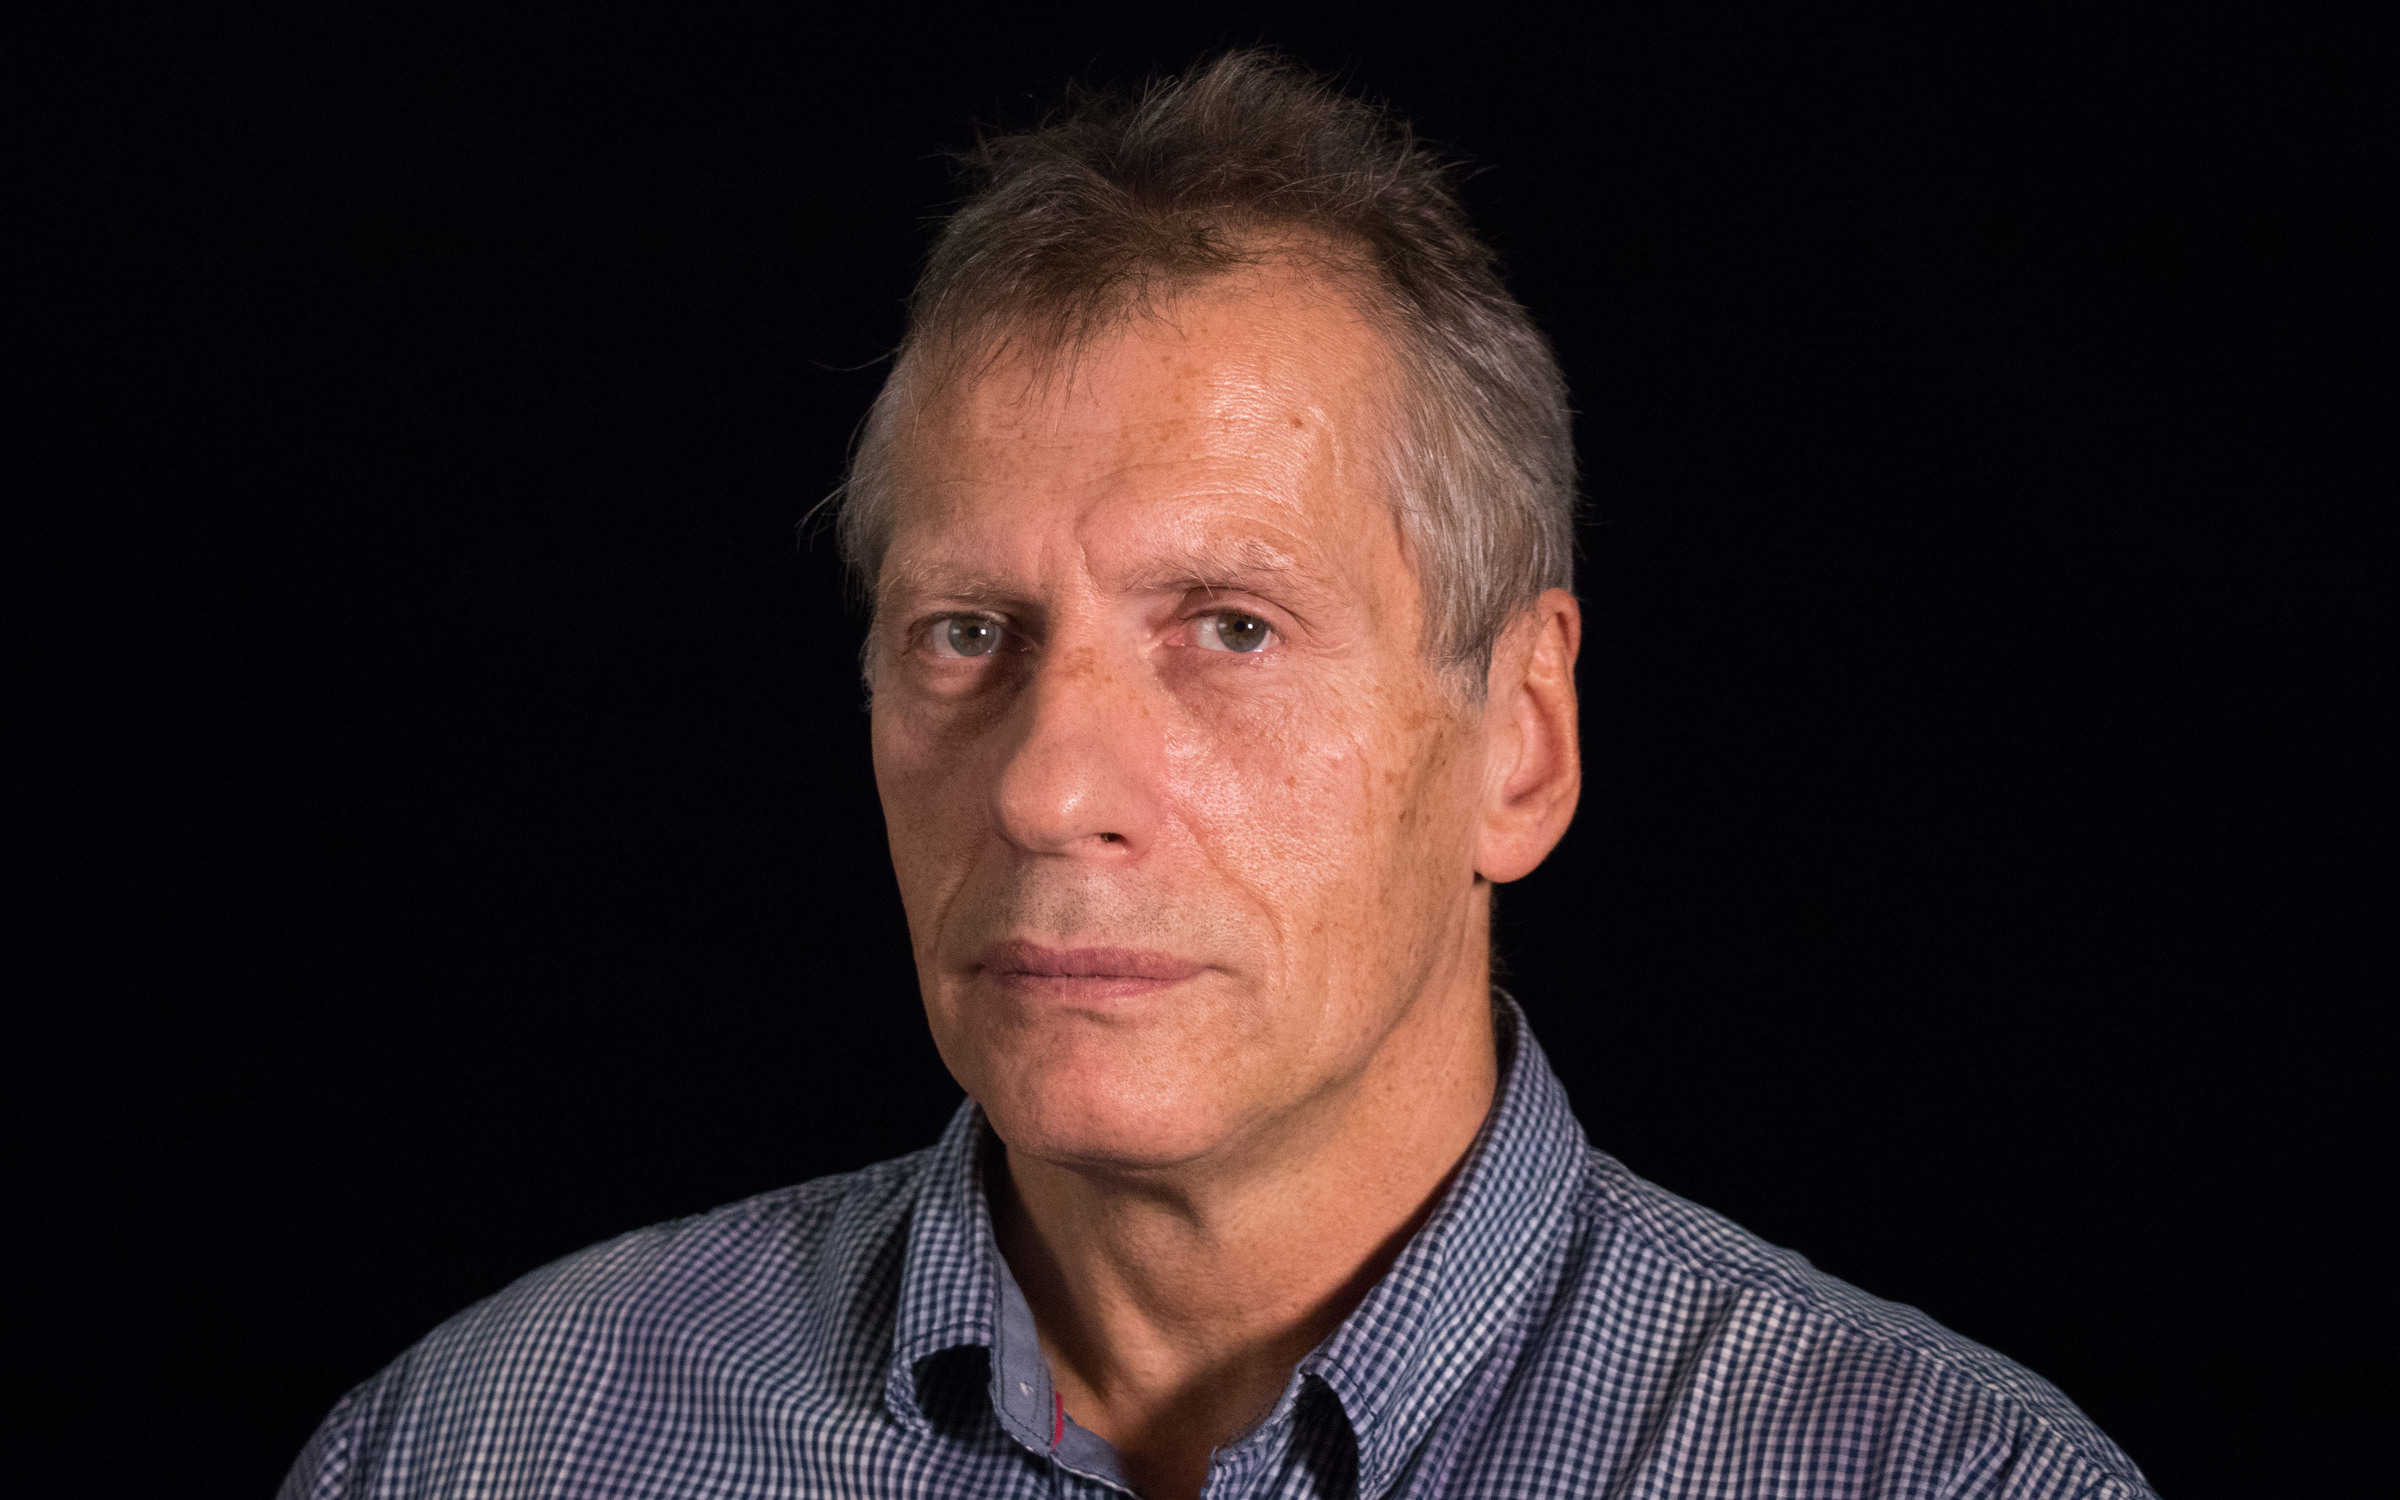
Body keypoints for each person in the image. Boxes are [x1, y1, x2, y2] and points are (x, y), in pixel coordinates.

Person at [279, 53, 2153, 1500]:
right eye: (965, 633)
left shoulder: (1936, 1478)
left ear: (1520, 738)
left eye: (1230, 628)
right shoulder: (481, 1450)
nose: (1046, 788)